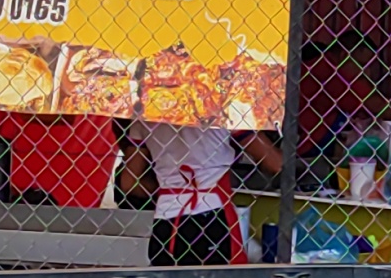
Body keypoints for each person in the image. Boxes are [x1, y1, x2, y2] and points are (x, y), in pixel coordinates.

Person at [115, 115, 279, 268]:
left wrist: (172, 191)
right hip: (212, 214)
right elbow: (275, 163)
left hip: (166, 217)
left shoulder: (145, 116)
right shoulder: (223, 109)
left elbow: (129, 183)